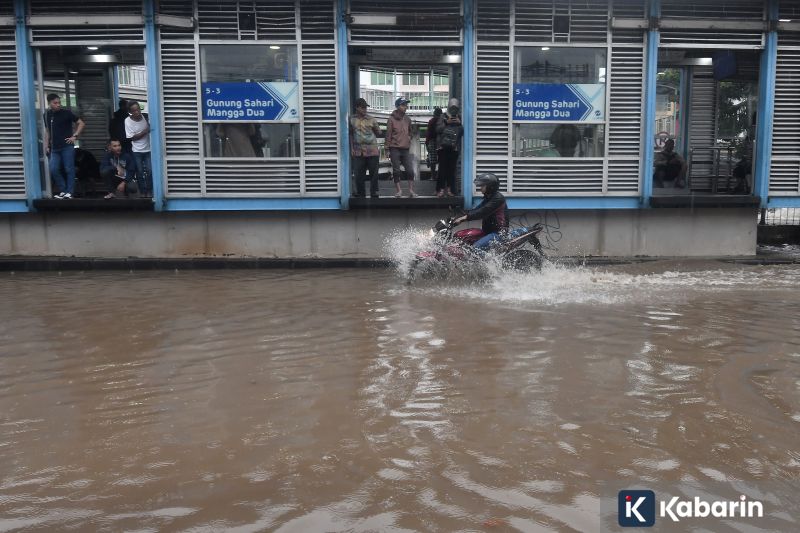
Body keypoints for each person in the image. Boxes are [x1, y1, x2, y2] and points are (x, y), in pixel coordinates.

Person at [43, 93, 85, 199]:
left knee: (68, 168)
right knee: (53, 169)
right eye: (55, 103)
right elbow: (47, 131)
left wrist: (74, 136)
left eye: (59, 102)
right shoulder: (47, 115)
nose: (58, 105)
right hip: (55, 148)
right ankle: (63, 190)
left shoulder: (66, 113)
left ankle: (70, 192)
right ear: (49, 103)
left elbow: (81, 123)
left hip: (67, 146)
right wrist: (46, 145)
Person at [453, 173, 508, 251]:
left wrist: (465, 218)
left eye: (482, 186)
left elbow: (482, 212)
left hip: (498, 233)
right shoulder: (488, 198)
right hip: (487, 231)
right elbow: (476, 210)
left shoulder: (498, 199)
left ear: (490, 187)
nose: (480, 188)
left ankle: (488, 263)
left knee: (475, 249)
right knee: (462, 237)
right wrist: (459, 215)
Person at [349, 97, 381, 198]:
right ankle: (361, 193)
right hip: (358, 151)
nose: (365, 110)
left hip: (372, 150)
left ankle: (374, 192)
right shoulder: (351, 119)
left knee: (374, 173)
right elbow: (350, 134)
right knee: (359, 174)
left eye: (365, 108)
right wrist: (352, 148)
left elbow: (379, 132)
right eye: (362, 108)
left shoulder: (372, 119)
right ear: (357, 108)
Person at [385, 97, 417, 198]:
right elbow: (388, 135)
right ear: (398, 106)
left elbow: (411, 132)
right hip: (394, 148)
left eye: (406, 105)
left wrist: (408, 137)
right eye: (403, 105)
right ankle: (399, 191)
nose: (406, 107)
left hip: (405, 149)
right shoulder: (391, 119)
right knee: (396, 170)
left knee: (410, 170)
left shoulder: (408, 119)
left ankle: (411, 190)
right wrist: (386, 149)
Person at [125, 101, 152, 197]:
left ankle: (150, 191)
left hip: (148, 149)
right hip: (136, 151)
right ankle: (143, 192)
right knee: (139, 172)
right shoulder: (127, 121)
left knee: (150, 171)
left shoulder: (146, 117)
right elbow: (132, 138)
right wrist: (145, 131)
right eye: (134, 110)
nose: (137, 112)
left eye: (138, 109)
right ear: (130, 112)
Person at [435, 103, 463, 197]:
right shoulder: (442, 117)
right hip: (442, 147)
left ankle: (450, 190)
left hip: (454, 148)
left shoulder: (459, 117)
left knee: (451, 170)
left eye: (455, 107)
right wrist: (447, 122)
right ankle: (440, 190)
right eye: (452, 107)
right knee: (442, 169)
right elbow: (437, 130)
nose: (454, 109)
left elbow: (462, 132)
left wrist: (460, 124)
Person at [425, 107, 442, 184]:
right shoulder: (443, 121)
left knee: (432, 160)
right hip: (442, 142)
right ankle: (439, 176)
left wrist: (427, 143)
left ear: (434, 113)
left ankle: (433, 176)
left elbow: (428, 133)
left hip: (432, 141)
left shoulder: (432, 121)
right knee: (441, 160)